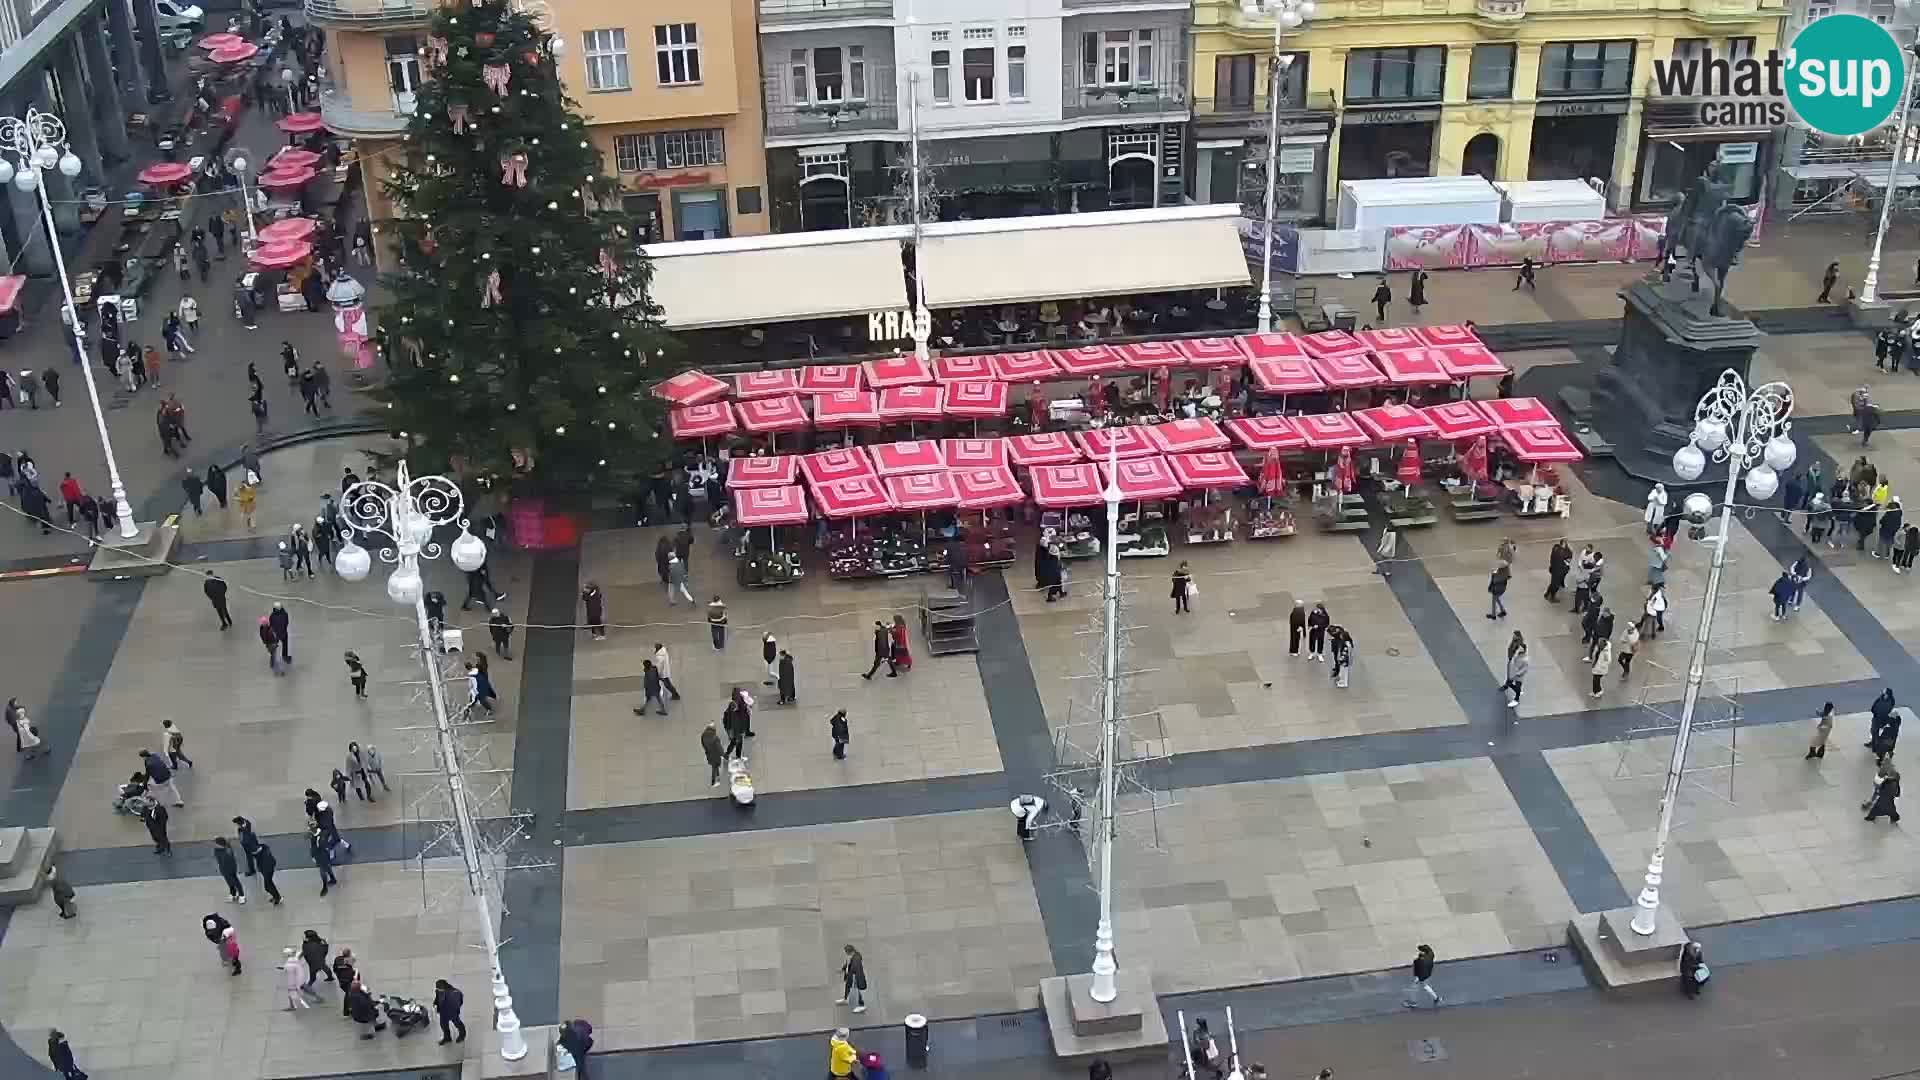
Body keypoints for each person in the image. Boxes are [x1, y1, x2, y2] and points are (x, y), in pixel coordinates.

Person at [434, 979, 467, 1044]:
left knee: (457, 1024)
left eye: (439, 988)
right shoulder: (438, 990)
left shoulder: (455, 992)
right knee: (443, 1025)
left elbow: (460, 1001)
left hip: (452, 1012)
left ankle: (462, 1036)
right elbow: (437, 998)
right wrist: (435, 1003)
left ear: (444, 986)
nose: (438, 990)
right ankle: (447, 1038)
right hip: (443, 1012)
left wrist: (455, 1009)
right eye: (437, 988)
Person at [837, 944, 868, 1012]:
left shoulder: (856, 958)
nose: (845, 953)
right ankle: (846, 999)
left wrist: (855, 979)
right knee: (847, 986)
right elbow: (848, 964)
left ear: (849, 951)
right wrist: (843, 969)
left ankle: (861, 1005)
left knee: (859, 991)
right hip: (850, 976)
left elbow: (855, 968)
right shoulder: (851, 956)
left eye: (846, 952)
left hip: (856, 977)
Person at [1501, 637, 1528, 710]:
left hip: (1519, 676)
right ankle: (1517, 692)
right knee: (1510, 683)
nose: (1519, 649)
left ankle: (1516, 699)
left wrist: (1518, 673)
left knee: (1517, 685)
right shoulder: (1518, 656)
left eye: (1520, 648)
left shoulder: (1524, 659)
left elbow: (1524, 669)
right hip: (1515, 673)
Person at [311, 827, 338, 895]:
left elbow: (333, 838)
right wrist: (313, 855)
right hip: (319, 855)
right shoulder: (313, 835)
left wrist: (328, 848)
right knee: (327, 867)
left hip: (323, 855)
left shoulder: (323, 834)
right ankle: (332, 879)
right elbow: (312, 846)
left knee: (322, 870)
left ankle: (325, 886)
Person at [1545, 538, 1572, 602]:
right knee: (1556, 584)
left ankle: (1547, 594)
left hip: (1554, 568)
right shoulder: (1562, 552)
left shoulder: (1555, 548)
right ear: (1564, 544)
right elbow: (1569, 555)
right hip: (1559, 570)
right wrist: (1568, 548)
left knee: (1553, 582)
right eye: (1566, 543)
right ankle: (1552, 597)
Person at [701, 721, 727, 786]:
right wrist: (724, 755)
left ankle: (717, 776)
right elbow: (719, 749)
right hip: (715, 755)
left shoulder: (703, 736)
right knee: (714, 767)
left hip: (709, 754)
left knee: (714, 766)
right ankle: (713, 780)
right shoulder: (715, 738)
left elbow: (703, 744)